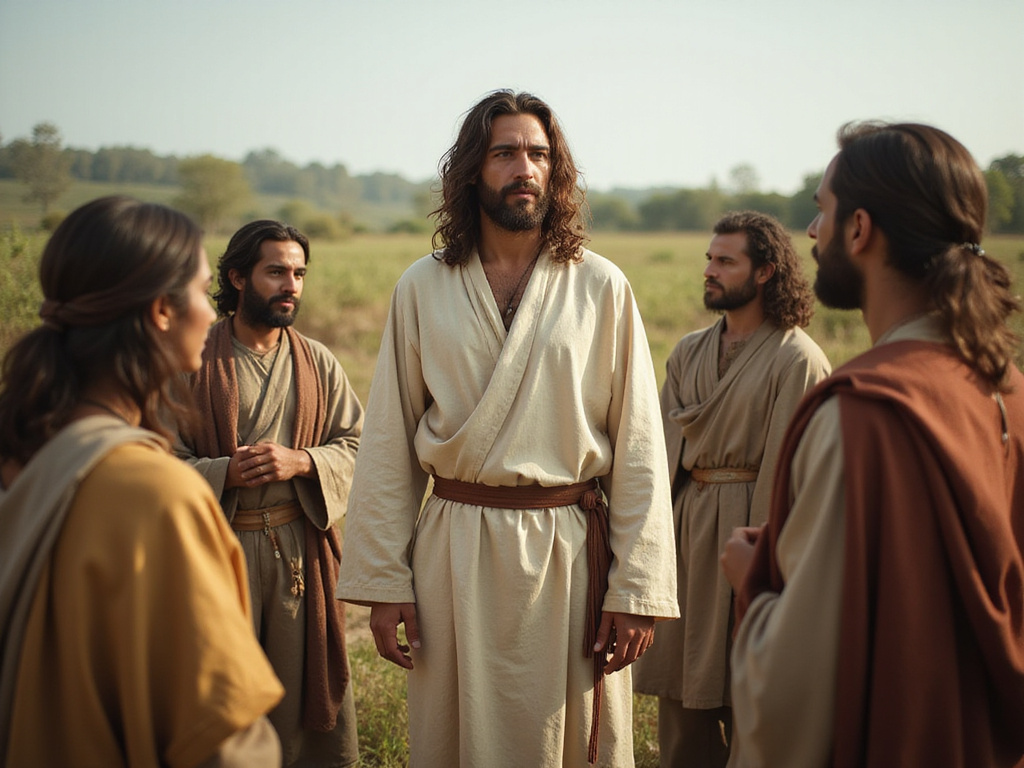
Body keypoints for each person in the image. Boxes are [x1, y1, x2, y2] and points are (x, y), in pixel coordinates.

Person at [335, 89, 679, 767]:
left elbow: (639, 445)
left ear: (558, 171)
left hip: (571, 555)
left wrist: (635, 589)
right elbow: (387, 445)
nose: (525, 167)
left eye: (539, 153)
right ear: (473, 170)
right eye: (506, 152)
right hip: (456, 553)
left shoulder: (601, 286)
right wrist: (382, 581)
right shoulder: (423, 287)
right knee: (460, 738)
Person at [722, 122, 1024, 767]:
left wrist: (756, 586)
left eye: (822, 212)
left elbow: (793, 703)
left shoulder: (861, 417)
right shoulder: (1010, 392)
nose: (812, 233)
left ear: (859, 230)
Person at [0, 196, 284, 766]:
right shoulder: (157, 494)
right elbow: (223, 742)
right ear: (161, 311)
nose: (211, 314)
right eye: (204, 293)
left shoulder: (30, 454)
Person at [632, 210, 830, 767]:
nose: (710, 272)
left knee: (752, 692)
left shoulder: (797, 358)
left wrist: (766, 560)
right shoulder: (689, 351)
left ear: (765, 272)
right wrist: (648, 544)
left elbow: (790, 473)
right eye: (708, 260)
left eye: (726, 261)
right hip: (687, 533)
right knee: (682, 701)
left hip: (751, 533)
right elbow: (662, 456)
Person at [175, 219, 364, 767]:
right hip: (215, 551)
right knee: (218, 693)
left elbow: (358, 447)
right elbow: (153, 458)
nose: (291, 285)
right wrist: (222, 474)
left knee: (295, 693)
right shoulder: (192, 359)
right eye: (276, 271)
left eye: (299, 273)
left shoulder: (318, 362)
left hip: (297, 556)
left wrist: (303, 460)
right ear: (237, 276)